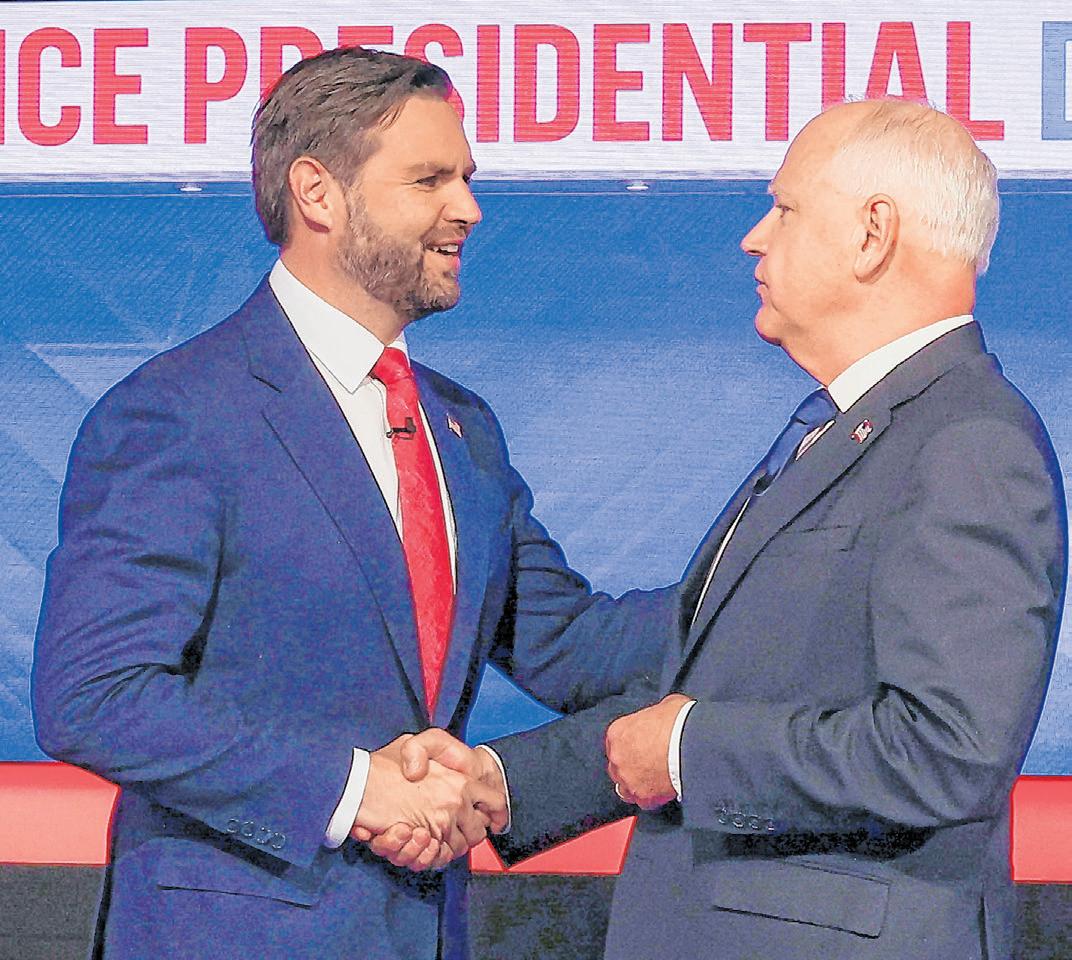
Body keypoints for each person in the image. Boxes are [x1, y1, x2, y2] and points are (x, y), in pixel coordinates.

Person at [376, 99, 1068, 960]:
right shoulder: (849, 433)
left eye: (785, 209)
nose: (753, 238)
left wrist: (686, 750)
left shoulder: (969, 443)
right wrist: (508, 781)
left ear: (873, 235)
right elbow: (702, 670)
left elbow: (946, 752)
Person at [30, 47, 668, 960]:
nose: (469, 208)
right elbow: (95, 696)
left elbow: (569, 644)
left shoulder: (462, 429)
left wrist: (763, 590)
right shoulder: (179, 413)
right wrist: (354, 789)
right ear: (317, 192)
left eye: (466, 178)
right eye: (430, 180)